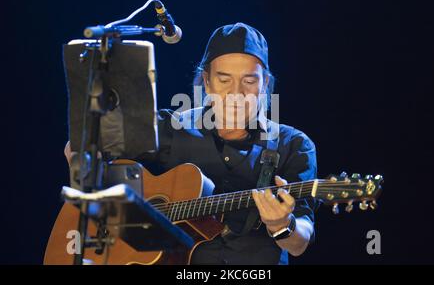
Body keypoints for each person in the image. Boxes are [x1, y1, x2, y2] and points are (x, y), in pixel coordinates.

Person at [65, 22, 317, 265]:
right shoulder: (168, 128)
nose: (236, 93)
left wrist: (283, 226)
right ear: (206, 82)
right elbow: (81, 148)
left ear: (266, 85)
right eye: (224, 79)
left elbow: (299, 243)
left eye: (249, 81)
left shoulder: (293, 145)